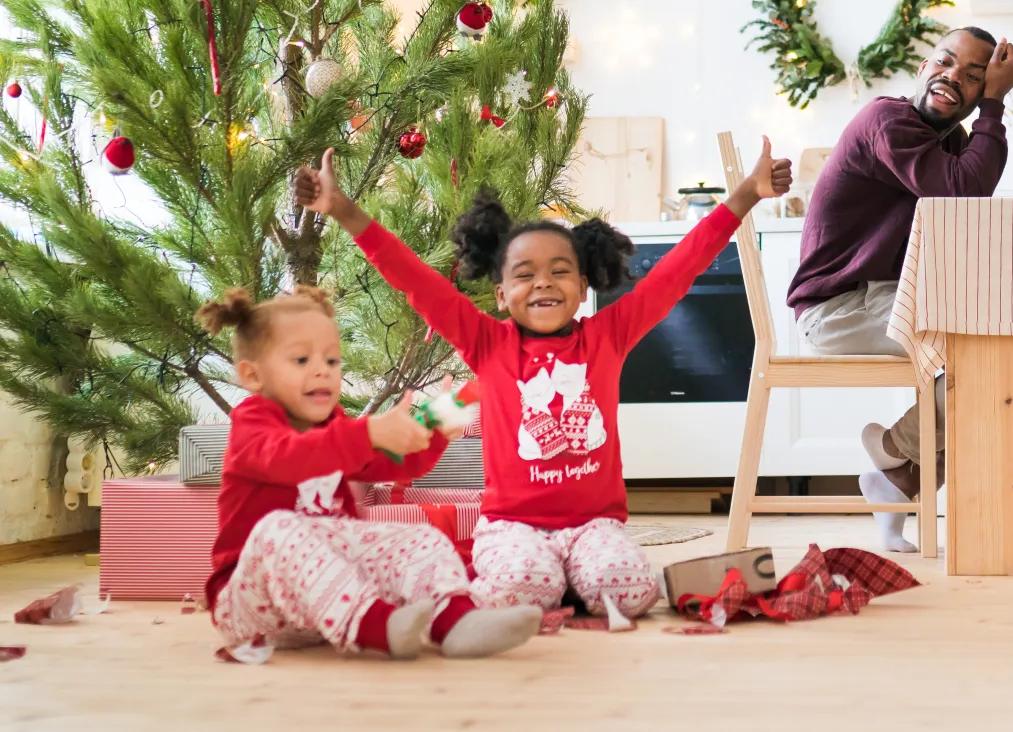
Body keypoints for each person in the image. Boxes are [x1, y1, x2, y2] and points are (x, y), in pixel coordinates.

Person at [299, 141, 792, 616]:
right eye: (525, 274)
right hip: (511, 527)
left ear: (583, 287)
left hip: (594, 526)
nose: (542, 282)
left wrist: (745, 196)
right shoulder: (486, 343)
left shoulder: (609, 336)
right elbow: (412, 278)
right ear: (499, 294)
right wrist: (343, 209)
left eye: (560, 271)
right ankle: (542, 579)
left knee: (632, 593)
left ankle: (571, 577)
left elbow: (678, 269)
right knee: (521, 586)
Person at [787, 26, 1013, 552]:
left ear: (972, 97)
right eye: (945, 62)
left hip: (886, 298)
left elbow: (960, 208)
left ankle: (898, 473)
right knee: (991, 363)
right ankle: (892, 451)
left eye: (974, 76)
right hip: (839, 306)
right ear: (925, 64)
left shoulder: (945, 141)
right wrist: (995, 101)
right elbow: (964, 191)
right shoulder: (889, 121)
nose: (953, 77)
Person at [202, 286, 543, 660]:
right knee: (278, 527)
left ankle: (456, 622)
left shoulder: (336, 425)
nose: (322, 370)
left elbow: (389, 463)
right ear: (253, 375)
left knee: (421, 538)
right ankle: (378, 626)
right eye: (301, 360)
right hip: (252, 608)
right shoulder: (253, 424)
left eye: (332, 361)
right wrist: (367, 433)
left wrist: (429, 436)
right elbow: (286, 457)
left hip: (323, 607)